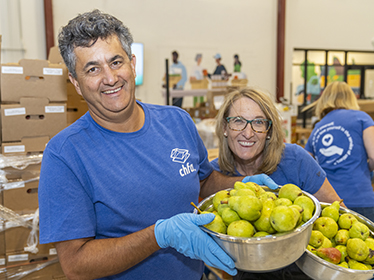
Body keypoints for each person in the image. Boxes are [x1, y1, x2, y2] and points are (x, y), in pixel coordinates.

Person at [38, 10, 278, 280]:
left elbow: (204, 180)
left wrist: (241, 185)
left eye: (116, 62)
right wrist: (159, 236)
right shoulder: (65, 154)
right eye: (92, 69)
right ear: (76, 84)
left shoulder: (177, 122)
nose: (110, 78)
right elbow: (76, 265)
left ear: (132, 64)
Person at [211, 87, 374, 280]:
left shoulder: (295, 160)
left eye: (258, 122)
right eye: (238, 121)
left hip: (303, 270)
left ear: (269, 130)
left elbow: (338, 214)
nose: (248, 132)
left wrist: (363, 265)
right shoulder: (213, 176)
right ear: (224, 128)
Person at [304, 81, 374, 227]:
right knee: (372, 249)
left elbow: (306, 167)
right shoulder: (362, 118)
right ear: (351, 98)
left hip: (329, 205)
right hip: (361, 200)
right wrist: (366, 168)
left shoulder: (318, 128)